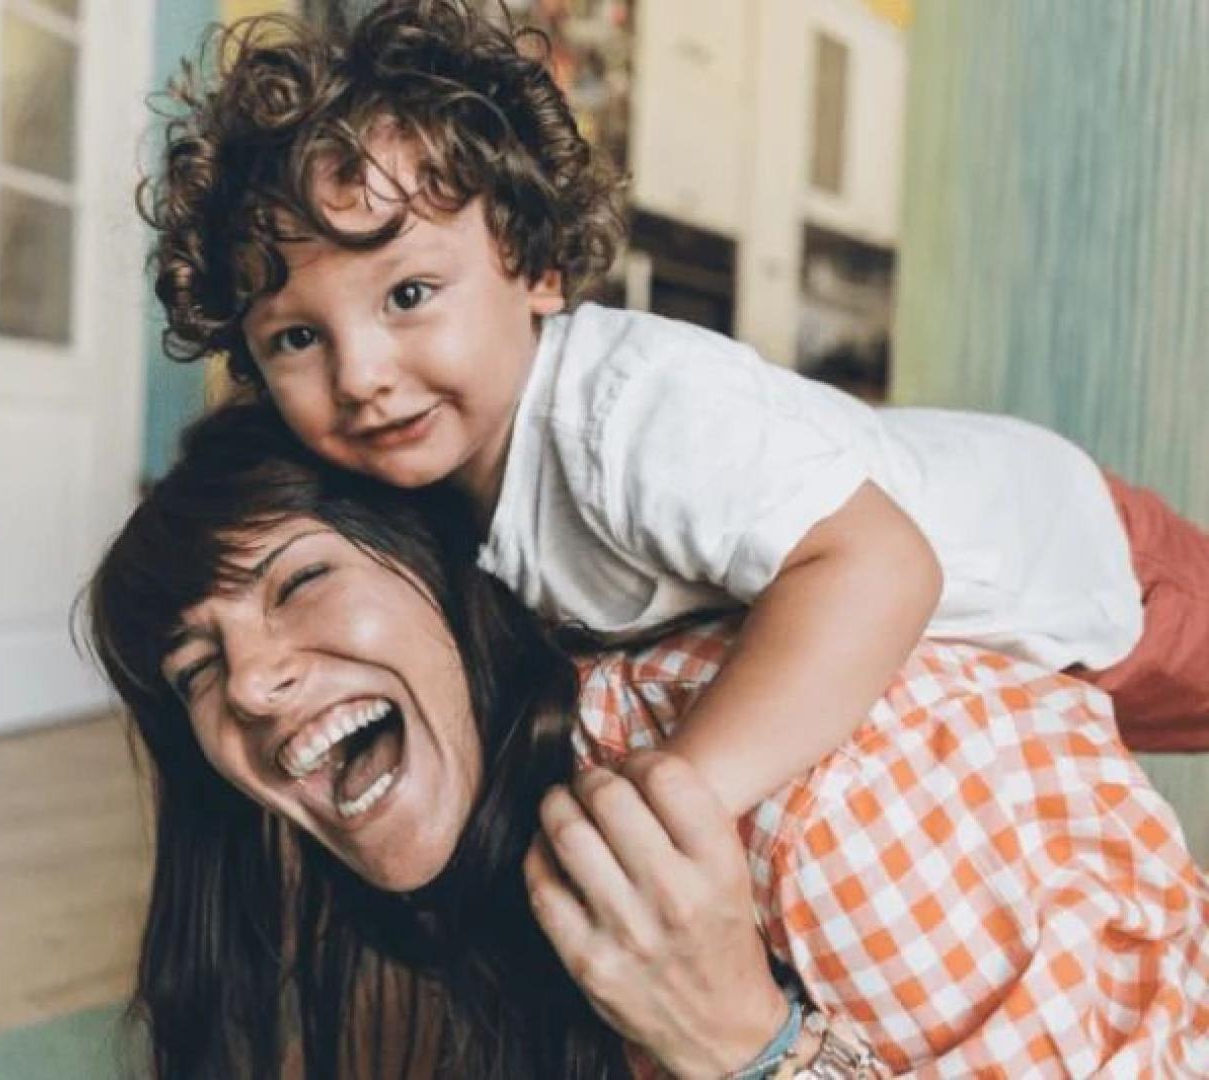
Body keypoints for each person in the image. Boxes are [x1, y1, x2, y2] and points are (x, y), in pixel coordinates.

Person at [137, 0, 1209, 825]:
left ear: (538, 266)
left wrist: (683, 792)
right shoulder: (422, 488)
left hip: (1066, 558)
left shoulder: (629, 412)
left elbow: (878, 565)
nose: (361, 372)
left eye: (409, 295)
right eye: (296, 337)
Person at [87, 403, 1209, 1079]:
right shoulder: (534, 836)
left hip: (1087, 556)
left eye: (302, 581)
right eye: (196, 667)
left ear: (453, 577)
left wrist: (747, 1045)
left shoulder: (825, 816)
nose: (253, 682)